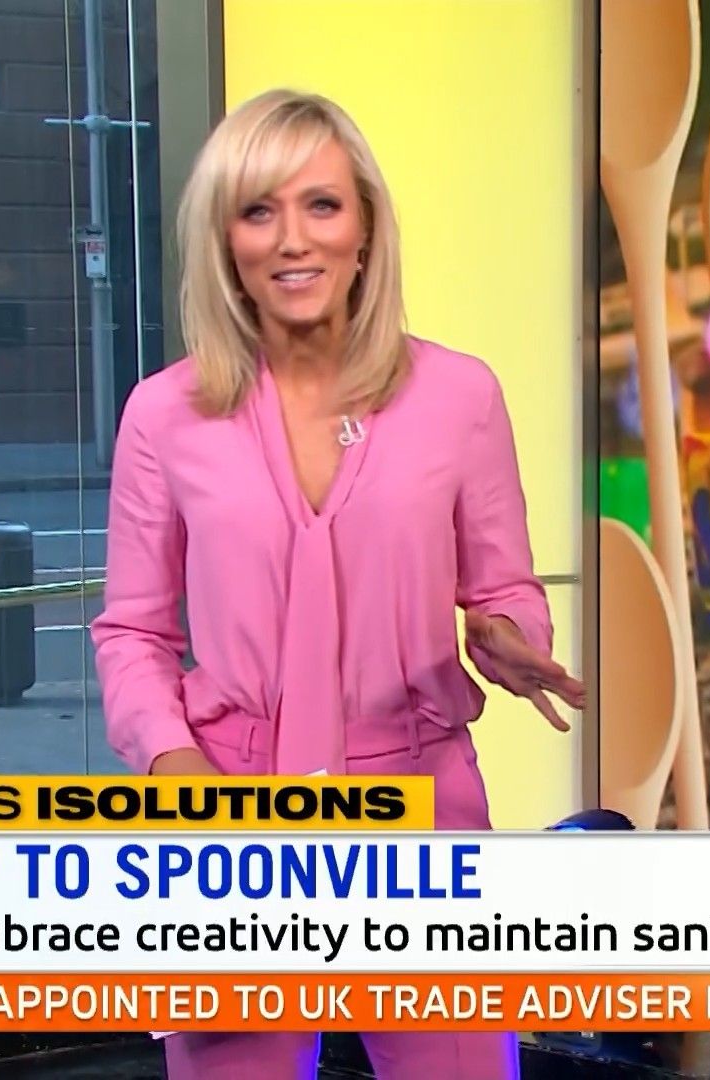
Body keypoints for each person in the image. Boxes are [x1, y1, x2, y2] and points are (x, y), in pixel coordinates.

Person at [91, 87, 584, 1080]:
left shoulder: (461, 397)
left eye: (320, 205)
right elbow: (132, 633)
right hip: (226, 813)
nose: (292, 239)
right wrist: (173, 765)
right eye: (258, 211)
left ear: (364, 228)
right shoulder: (164, 415)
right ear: (226, 241)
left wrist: (509, 637)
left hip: (421, 804)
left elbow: (505, 588)